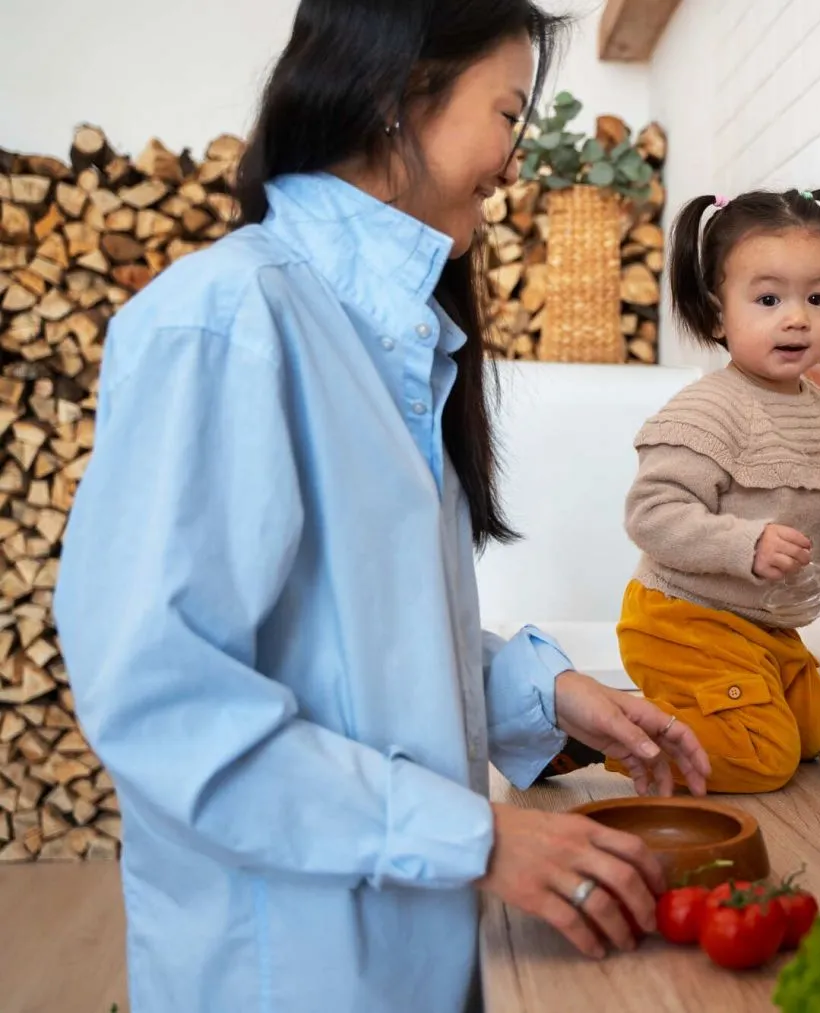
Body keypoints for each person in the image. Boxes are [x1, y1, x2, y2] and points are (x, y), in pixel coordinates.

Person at [51, 2, 710, 1010]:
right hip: (292, 971)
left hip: (416, 951)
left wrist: (547, 692)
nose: (512, 161)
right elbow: (164, 697)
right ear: (400, 94)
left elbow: (358, 645)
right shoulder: (224, 322)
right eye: (507, 115)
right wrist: (477, 837)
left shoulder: (390, 339)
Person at [611, 189, 820, 795]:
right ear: (717, 314)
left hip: (765, 627)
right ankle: (610, 735)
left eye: (818, 298)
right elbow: (651, 515)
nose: (797, 318)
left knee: (818, 733)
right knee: (765, 757)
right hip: (686, 620)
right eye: (770, 299)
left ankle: (689, 718)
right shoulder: (709, 410)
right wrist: (745, 546)